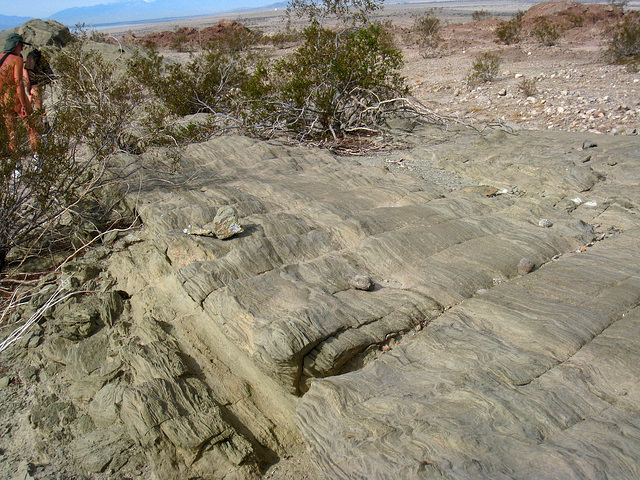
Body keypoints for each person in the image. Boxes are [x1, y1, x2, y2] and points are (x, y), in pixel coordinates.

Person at [0, 33, 37, 153]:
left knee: (11, 132)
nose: (22, 49)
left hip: (3, 101)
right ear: (15, 45)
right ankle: (38, 161)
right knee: (31, 128)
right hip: (16, 99)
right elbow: (18, 84)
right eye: (21, 46)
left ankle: (16, 168)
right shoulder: (17, 60)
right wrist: (24, 105)